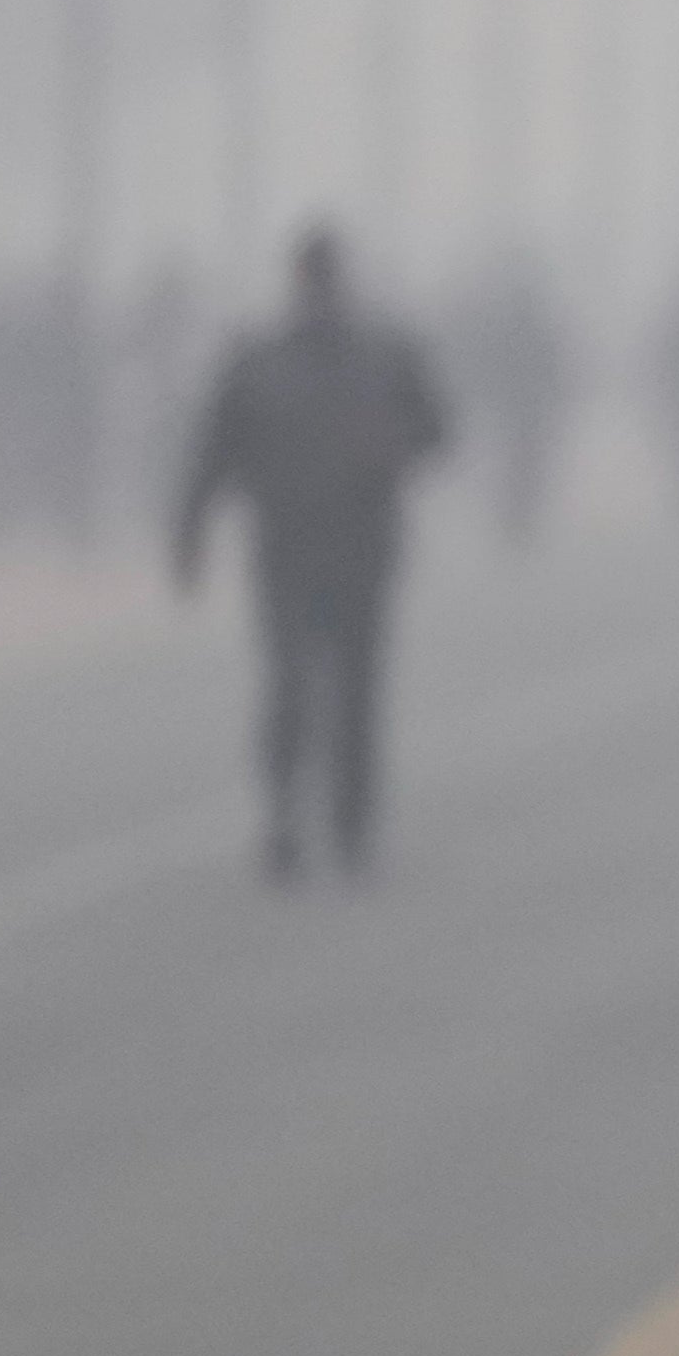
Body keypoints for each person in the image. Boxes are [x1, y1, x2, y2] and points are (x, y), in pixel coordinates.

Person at [171, 227, 453, 882]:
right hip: (297, 551)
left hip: (350, 549)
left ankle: (342, 825)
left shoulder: (379, 355)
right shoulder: (272, 360)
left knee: (343, 693)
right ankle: (292, 820)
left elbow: (436, 431)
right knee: (298, 689)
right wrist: (189, 531)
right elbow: (214, 450)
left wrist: (390, 452)